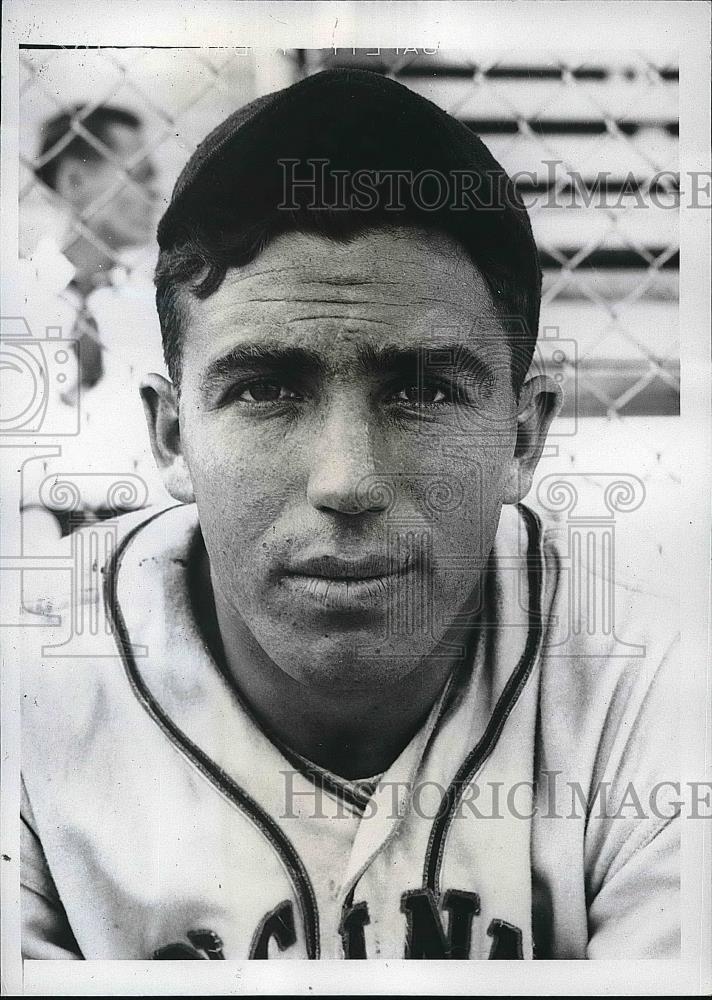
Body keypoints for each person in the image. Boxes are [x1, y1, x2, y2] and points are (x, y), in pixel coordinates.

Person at [20, 69, 679, 960]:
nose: (346, 481)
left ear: (524, 437)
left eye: (426, 392)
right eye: (264, 390)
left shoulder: (651, 686)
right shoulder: (29, 687)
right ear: (171, 434)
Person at [20, 105, 170, 546]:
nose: (154, 192)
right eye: (138, 174)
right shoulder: (21, 297)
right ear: (75, 183)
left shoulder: (153, 304)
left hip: (138, 527)